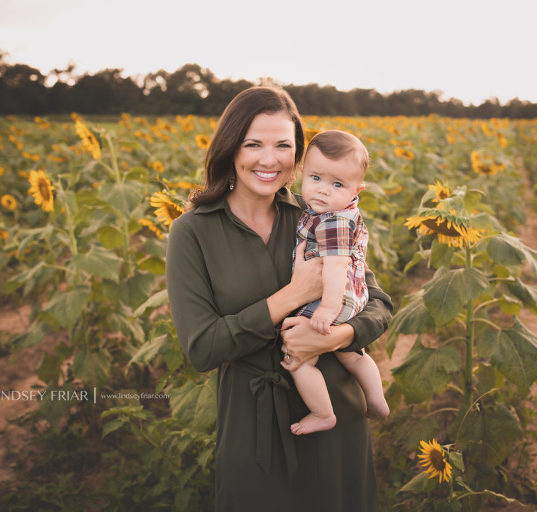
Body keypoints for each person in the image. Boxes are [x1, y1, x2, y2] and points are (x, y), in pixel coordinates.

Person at [166, 86, 392, 512]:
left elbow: (378, 304)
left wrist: (336, 337)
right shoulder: (193, 232)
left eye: (283, 146)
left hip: (335, 413)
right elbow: (202, 348)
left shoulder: (315, 216)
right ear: (231, 147)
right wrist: (292, 296)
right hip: (253, 425)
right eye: (253, 144)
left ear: (299, 156)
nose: (268, 160)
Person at [285, 130, 390, 436]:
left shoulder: (332, 221)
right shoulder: (343, 212)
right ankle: (377, 399)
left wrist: (327, 309)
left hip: (335, 297)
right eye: (316, 178)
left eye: (337, 184)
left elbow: (334, 266)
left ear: (358, 189)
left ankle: (322, 413)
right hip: (354, 295)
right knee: (353, 355)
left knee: (299, 359)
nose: (323, 191)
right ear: (302, 173)